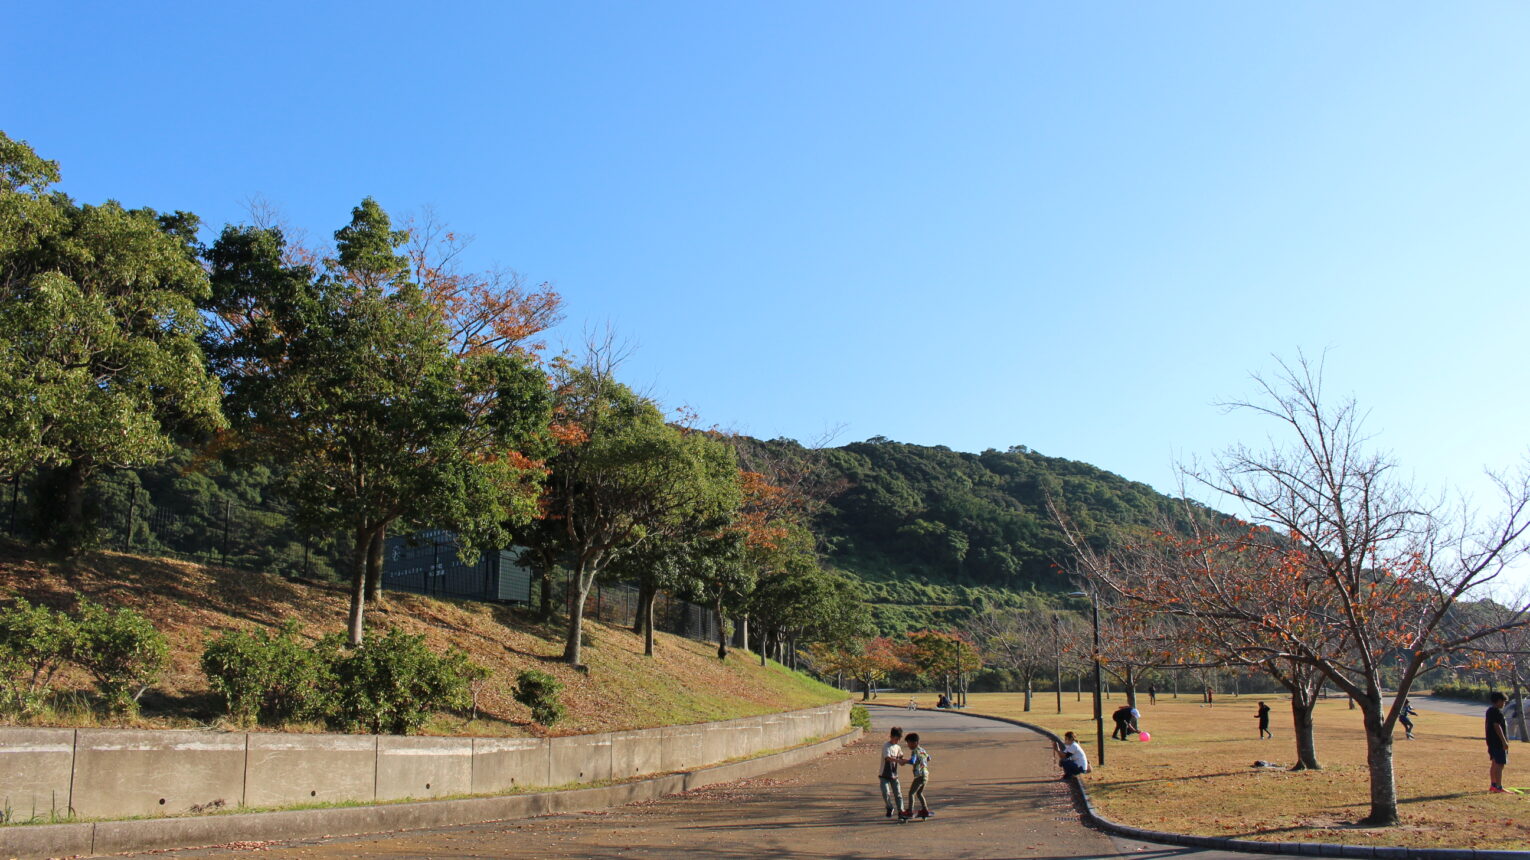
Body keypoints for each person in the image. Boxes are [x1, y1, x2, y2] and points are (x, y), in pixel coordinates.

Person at [903, 732, 934, 819]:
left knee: (911, 793)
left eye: (909, 743)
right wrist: (922, 762)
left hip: (919, 775)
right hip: (926, 775)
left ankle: (910, 811)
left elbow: (912, 761)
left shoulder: (915, 751)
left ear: (915, 742)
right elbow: (929, 758)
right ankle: (925, 809)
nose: (908, 745)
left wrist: (904, 761)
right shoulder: (922, 750)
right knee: (919, 793)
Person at [880, 726, 906, 816]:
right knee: (885, 792)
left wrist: (905, 761)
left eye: (899, 739)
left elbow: (901, 757)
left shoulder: (898, 747)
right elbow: (887, 758)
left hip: (894, 775)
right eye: (896, 738)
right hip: (884, 774)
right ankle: (889, 807)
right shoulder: (886, 746)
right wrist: (898, 761)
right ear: (891, 736)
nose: (897, 741)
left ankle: (901, 811)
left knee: (898, 794)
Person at [1487, 692, 1510, 793]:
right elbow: (1497, 726)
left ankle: (1493, 785)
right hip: (1498, 742)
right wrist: (1504, 741)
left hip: (1491, 741)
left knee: (1494, 763)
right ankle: (1499, 787)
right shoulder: (1497, 712)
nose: (1504, 704)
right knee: (1500, 764)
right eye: (1504, 701)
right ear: (1499, 701)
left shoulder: (1490, 710)